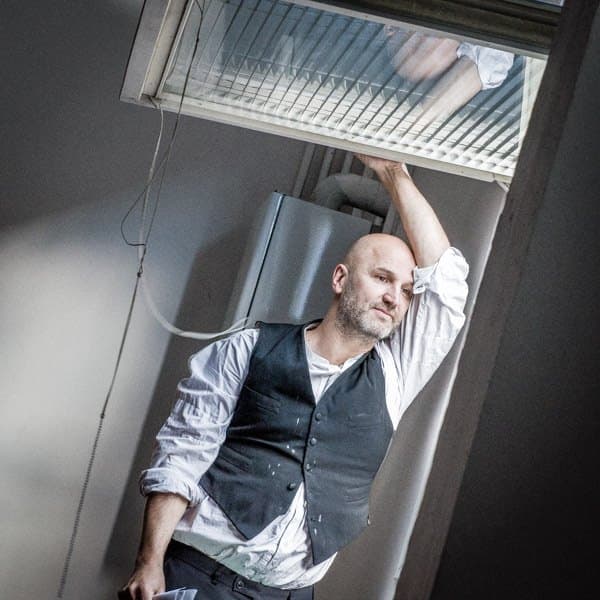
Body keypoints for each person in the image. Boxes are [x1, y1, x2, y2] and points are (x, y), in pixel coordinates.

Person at [119, 155, 469, 599]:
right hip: (199, 575)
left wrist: (394, 172)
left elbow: (447, 286)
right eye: (382, 278)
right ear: (340, 279)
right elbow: (182, 456)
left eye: (405, 290)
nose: (393, 298)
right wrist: (149, 561)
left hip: (291, 594)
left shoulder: (395, 375)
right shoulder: (244, 350)